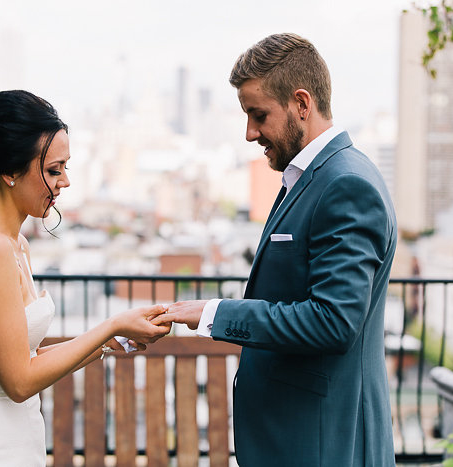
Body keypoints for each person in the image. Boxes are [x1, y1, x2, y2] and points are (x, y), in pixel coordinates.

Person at [154, 34, 397, 465]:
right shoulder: (311, 177)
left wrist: (214, 313)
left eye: (258, 115)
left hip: (325, 443)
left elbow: (334, 321)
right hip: (297, 438)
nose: (250, 133)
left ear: (302, 103)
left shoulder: (346, 184)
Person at [0, 90, 170, 466]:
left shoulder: (14, 243)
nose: (65, 182)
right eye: (53, 169)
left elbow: (22, 358)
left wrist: (110, 340)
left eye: (65, 167)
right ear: (10, 171)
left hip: (16, 437)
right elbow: (18, 381)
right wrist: (111, 324)